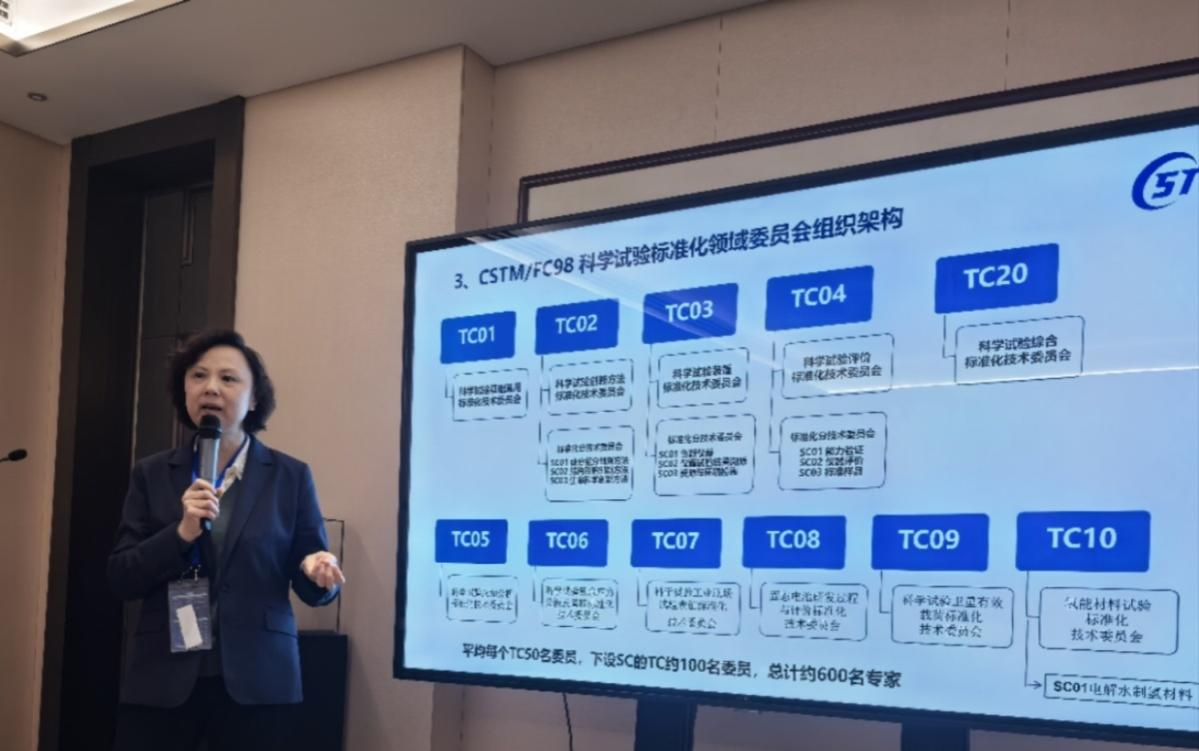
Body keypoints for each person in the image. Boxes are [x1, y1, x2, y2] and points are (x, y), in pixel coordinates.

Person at [108, 330, 345, 751]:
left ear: (254, 400)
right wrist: (181, 533)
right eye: (198, 376)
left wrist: (316, 571)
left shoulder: (289, 477)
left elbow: (312, 572)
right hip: (163, 681)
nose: (211, 388)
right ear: (184, 391)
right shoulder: (152, 474)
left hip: (259, 682)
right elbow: (122, 577)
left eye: (228, 378)